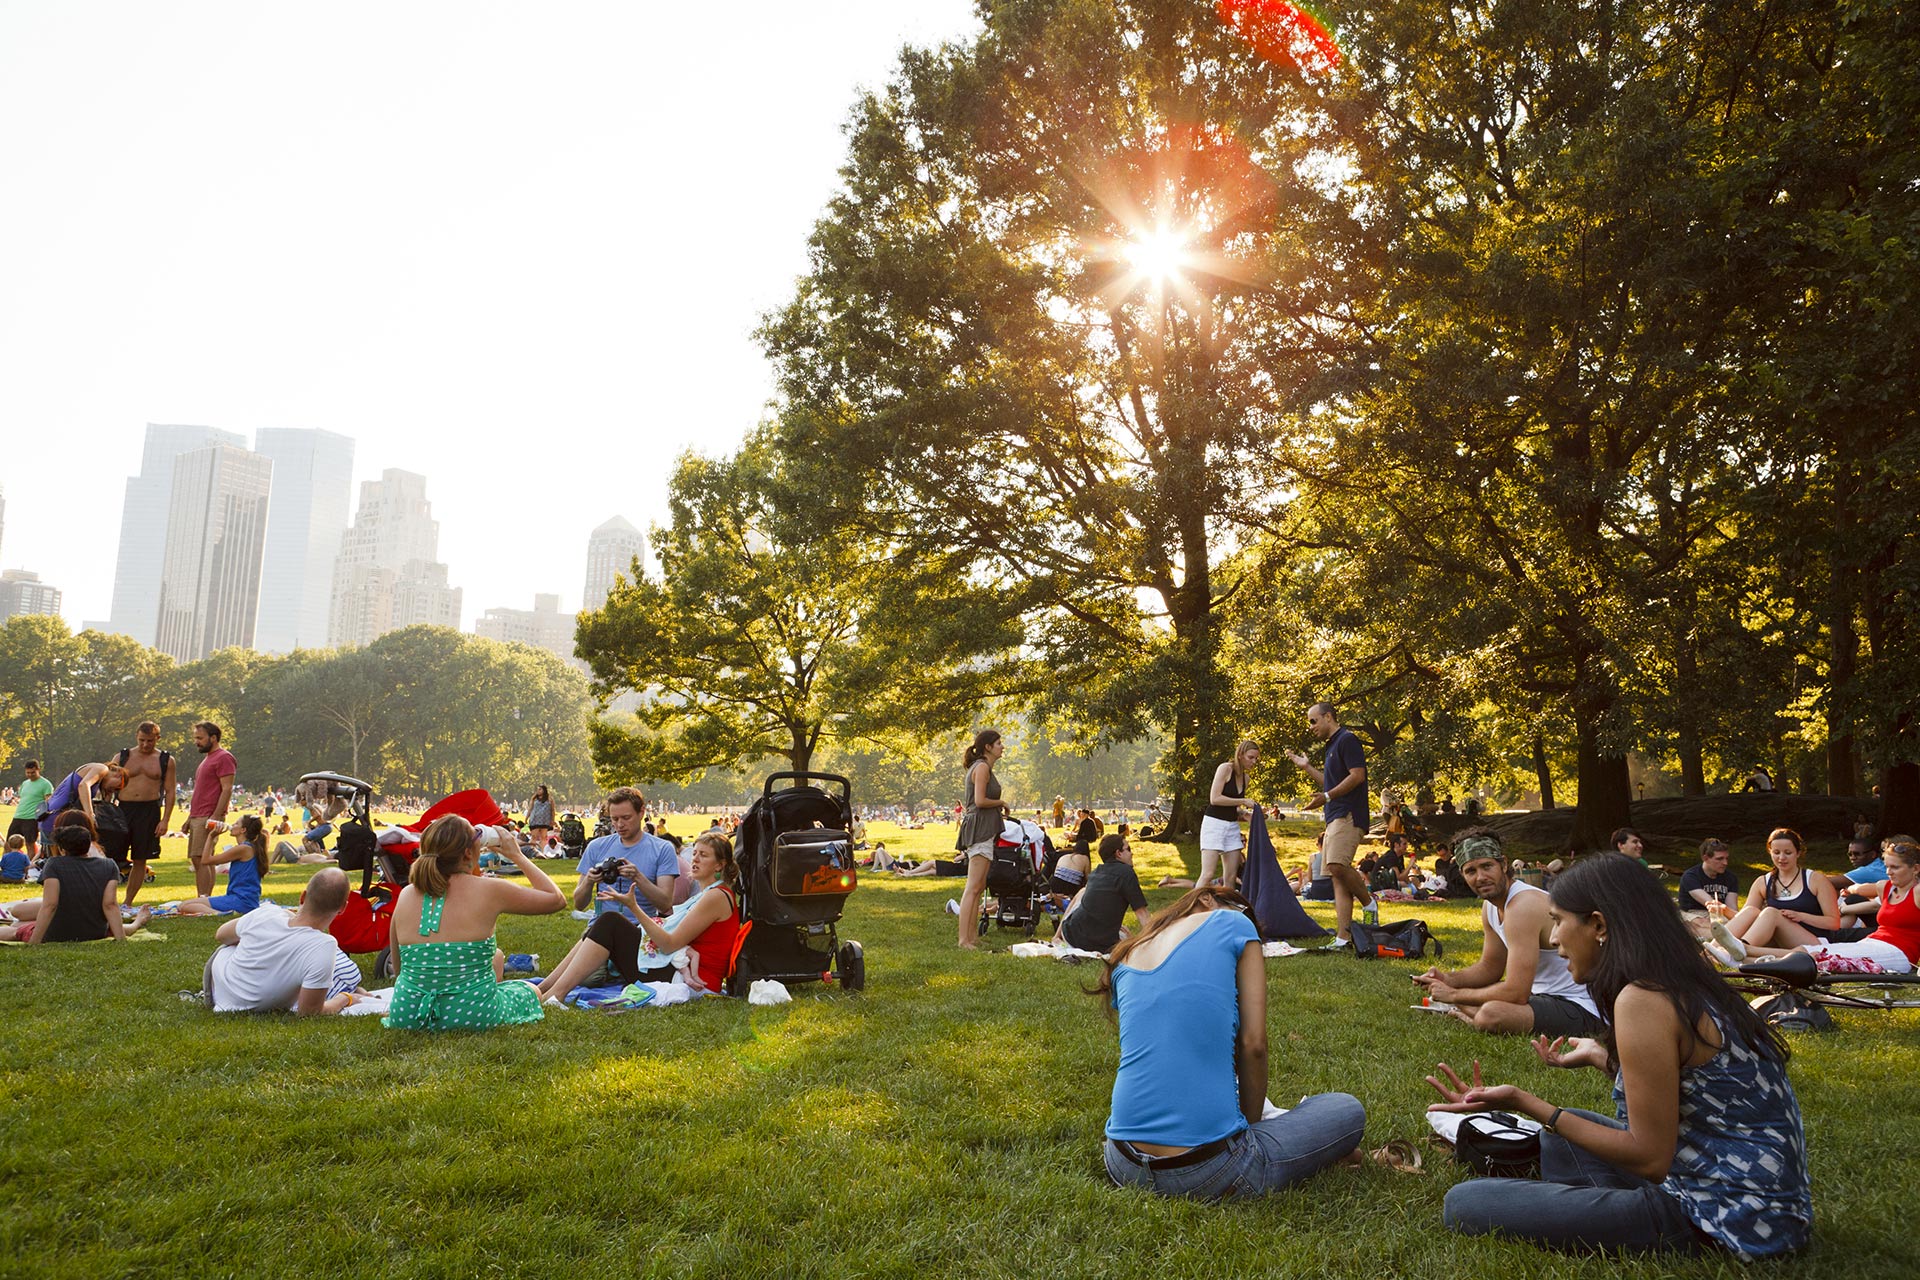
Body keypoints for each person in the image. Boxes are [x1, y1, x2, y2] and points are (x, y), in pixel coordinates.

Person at [1428, 853, 1811, 1259]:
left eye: (1558, 921)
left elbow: (1648, 1158)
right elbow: (1695, 1086)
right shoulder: (1677, 981)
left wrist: (1526, 1102)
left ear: (1599, 925)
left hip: (1725, 1218)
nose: (1554, 938)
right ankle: (1575, 1198)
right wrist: (1603, 1059)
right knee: (1560, 1143)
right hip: (1764, 1204)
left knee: (1466, 1204)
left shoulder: (1643, 999)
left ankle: (1569, 1201)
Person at [1096, 884, 1365, 1199]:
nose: (1248, 922)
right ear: (1207, 899)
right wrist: (1250, 1131)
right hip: (1209, 1170)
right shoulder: (1234, 923)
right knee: (1346, 1109)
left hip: (1123, 1163)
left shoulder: (1128, 951)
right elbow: (1254, 1045)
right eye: (1243, 913)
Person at [1412, 830, 1603, 1037]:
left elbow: (1516, 992)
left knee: (1491, 1014)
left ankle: (1465, 1011)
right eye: (1471, 871)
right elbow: (1490, 967)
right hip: (1541, 996)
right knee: (1490, 1005)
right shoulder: (1491, 907)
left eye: (1487, 866)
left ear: (1503, 864)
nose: (1481, 877)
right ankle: (1468, 1012)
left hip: (1583, 1006)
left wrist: (1454, 995)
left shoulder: (1522, 905)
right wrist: (1447, 979)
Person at [383, 815, 565, 1031]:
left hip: (408, 1014)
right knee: (530, 990)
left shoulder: (406, 894)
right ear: (468, 852)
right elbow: (556, 899)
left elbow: (400, 967)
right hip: (473, 1015)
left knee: (494, 961)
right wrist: (517, 855)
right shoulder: (488, 889)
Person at [537, 831, 744, 1002]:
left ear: (720, 865)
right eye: (695, 853)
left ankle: (555, 994)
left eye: (704, 855)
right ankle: (545, 988)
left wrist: (633, 907)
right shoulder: (709, 894)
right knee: (603, 923)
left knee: (610, 922)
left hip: (687, 981)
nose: (695, 859)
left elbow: (669, 944)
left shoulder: (715, 897)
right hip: (677, 969)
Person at [1728, 838, 1920, 975]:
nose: (1888, 872)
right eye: (1887, 866)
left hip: (1899, 954)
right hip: (1872, 942)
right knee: (1820, 954)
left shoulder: (1917, 892)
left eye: (1895, 868)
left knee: (1819, 956)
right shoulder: (1884, 887)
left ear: (1916, 869)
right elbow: (1859, 887)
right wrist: (1850, 891)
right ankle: (1744, 960)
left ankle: (1743, 951)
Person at [203, 868, 369, 1013]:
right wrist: (345, 999)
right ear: (342, 908)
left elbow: (222, 935)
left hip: (220, 982)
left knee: (243, 937)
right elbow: (309, 1011)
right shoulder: (324, 945)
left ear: (303, 896)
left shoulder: (267, 913)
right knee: (341, 970)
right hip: (250, 1001)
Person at [1285, 702, 1372, 946]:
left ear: (1328, 717)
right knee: (1337, 876)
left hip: (1349, 813)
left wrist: (1327, 797)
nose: (1310, 726)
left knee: (1335, 865)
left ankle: (1369, 903)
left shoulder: (1347, 740)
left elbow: (1357, 776)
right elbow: (1329, 784)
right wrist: (1307, 768)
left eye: (1313, 720)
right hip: (1334, 814)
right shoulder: (1331, 746)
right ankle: (1343, 938)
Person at [19, 825, 150, 944]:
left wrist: (34, 941)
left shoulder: (54, 864)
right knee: (21, 924)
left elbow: (50, 905)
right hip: (95, 931)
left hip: (57, 933)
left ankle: (138, 921)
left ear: (62, 849)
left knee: (15, 930)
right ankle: (138, 921)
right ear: (88, 845)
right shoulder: (109, 865)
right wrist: (121, 939)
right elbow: (110, 904)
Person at [573, 788, 679, 926]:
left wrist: (638, 877)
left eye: (626, 818)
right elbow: (579, 904)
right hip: (600, 925)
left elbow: (665, 904)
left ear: (641, 812)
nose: (620, 824)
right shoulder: (596, 846)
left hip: (641, 927)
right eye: (614, 819)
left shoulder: (662, 849)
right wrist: (589, 881)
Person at [1725, 828, 1843, 949]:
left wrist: (1801, 916)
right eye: (1776, 852)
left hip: (1814, 942)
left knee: (1771, 913)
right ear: (1770, 852)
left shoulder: (1815, 880)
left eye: (1788, 853)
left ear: (1798, 853)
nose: (1781, 858)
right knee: (1751, 910)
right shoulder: (1762, 882)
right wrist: (1724, 910)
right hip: (1777, 940)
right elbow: (1745, 918)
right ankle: (1713, 951)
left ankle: (1741, 948)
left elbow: (1834, 923)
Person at [109, 721, 176, 906]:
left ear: (158, 738)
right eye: (142, 740)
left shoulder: (165, 760)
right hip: (122, 810)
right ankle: (108, 901)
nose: (146, 745)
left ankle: (127, 903)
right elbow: (106, 784)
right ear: (136, 737)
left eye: (150, 741)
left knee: (140, 858)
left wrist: (165, 820)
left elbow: (170, 791)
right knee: (113, 858)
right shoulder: (122, 756)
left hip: (149, 811)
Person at [955, 729, 1009, 950]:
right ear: (988, 747)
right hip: (980, 830)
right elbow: (979, 801)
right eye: (998, 743)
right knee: (973, 887)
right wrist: (1001, 803)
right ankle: (963, 940)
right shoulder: (983, 767)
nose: (1002, 747)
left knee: (979, 886)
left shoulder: (982, 767)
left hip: (983, 829)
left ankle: (972, 937)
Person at [1058, 833, 1152, 954]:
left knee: (1082, 892)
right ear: (1118, 853)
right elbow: (1142, 914)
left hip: (1072, 936)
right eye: (1128, 849)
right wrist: (1154, 941)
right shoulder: (1127, 874)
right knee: (1128, 938)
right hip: (1100, 945)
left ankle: (1057, 936)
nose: (1131, 853)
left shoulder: (1096, 873)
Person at [183, 721, 237, 899]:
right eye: (195, 738)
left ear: (213, 738)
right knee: (200, 858)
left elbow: (227, 788)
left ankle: (203, 898)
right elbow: (201, 791)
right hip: (198, 815)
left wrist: (215, 816)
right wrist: (190, 818)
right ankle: (206, 898)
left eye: (200, 738)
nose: (196, 741)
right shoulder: (207, 759)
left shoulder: (224, 757)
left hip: (209, 815)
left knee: (201, 858)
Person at [1198, 739, 1260, 892]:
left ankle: (1229, 911)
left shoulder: (1246, 779)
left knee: (1231, 877)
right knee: (1208, 874)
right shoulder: (1225, 768)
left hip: (1232, 826)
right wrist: (1243, 800)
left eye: (1256, 758)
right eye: (1251, 757)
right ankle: (1190, 908)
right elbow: (1215, 798)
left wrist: (1244, 813)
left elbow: (1232, 806)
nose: (1254, 761)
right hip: (1214, 824)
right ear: (1240, 755)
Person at [176, 816, 270, 916]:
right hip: (245, 900)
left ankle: (221, 914)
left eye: (236, 823)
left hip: (241, 901)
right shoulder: (248, 847)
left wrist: (211, 836)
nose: (233, 825)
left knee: (183, 906)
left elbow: (205, 860)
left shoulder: (243, 849)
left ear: (243, 830)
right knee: (192, 903)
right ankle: (222, 912)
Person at [36, 761, 129, 844]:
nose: (114, 790)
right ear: (119, 775)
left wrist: (108, 796)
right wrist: (90, 815)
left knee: (52, 860)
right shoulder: (101, 768)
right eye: (118, 787)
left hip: (49, 818)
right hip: (57, 820)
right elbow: (83, 785)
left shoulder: (90, 773)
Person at [1677, 838, 1741, 914]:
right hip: (1693, 914)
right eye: (1719, 859)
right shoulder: (1691, 876)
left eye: (1726, 858)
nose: (1725, 863)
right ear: (1705, 858)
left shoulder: (1731, 878)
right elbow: (1710, 904)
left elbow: (1732, 908)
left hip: (1721, 914)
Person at [8, 760, 53, 861]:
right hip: (18, 816)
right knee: (9, 843)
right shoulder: (25, 783)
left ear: (38, 770)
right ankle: (7, 866)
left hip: (32, 818)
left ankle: (28, 869)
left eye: (33, 772)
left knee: (30, 844)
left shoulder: (46, 784)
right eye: (28, 772)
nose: (30, 775)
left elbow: (48, 803)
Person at [525, 784, 555, 853]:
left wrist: (552, 819)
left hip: (545, 820)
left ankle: (543, 851)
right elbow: (530, 808)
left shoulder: (550, 799)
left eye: (540, 789)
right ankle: (531, 851)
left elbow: (552, 810)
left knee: (543, 837)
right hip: (535, 820)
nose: (538, 791)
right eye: (537, 789)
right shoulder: (534, 799)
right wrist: (527, 818)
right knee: (534, 836)